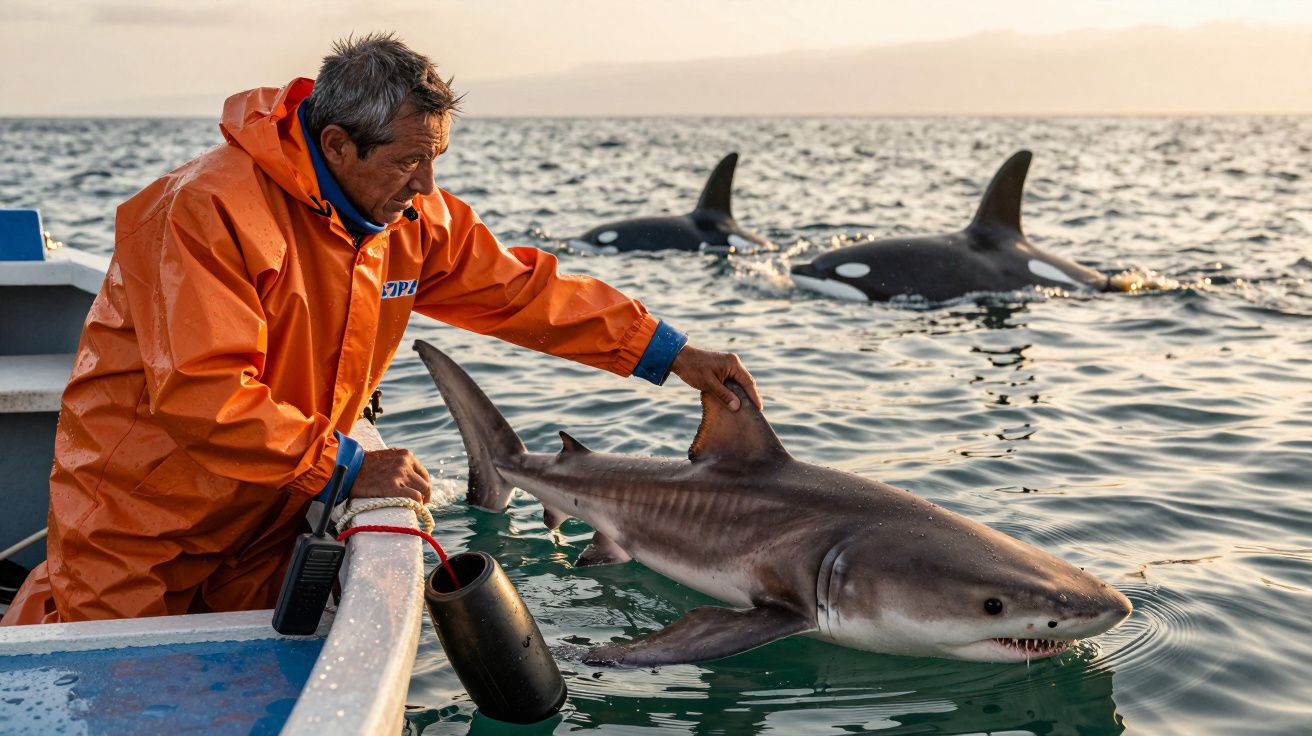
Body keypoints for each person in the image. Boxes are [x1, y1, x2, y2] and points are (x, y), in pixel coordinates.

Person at [2, 33, 759, 625]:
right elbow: (203, 392)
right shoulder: (204, 209)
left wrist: (670, 353)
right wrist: (344, 470)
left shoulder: (410, 217)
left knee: (238, 690)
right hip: (142, 522)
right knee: (103, 691)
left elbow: (525, 292)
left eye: (437, 160)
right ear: (336, 145)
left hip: (268, 512)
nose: (428, 185)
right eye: (409, 162)